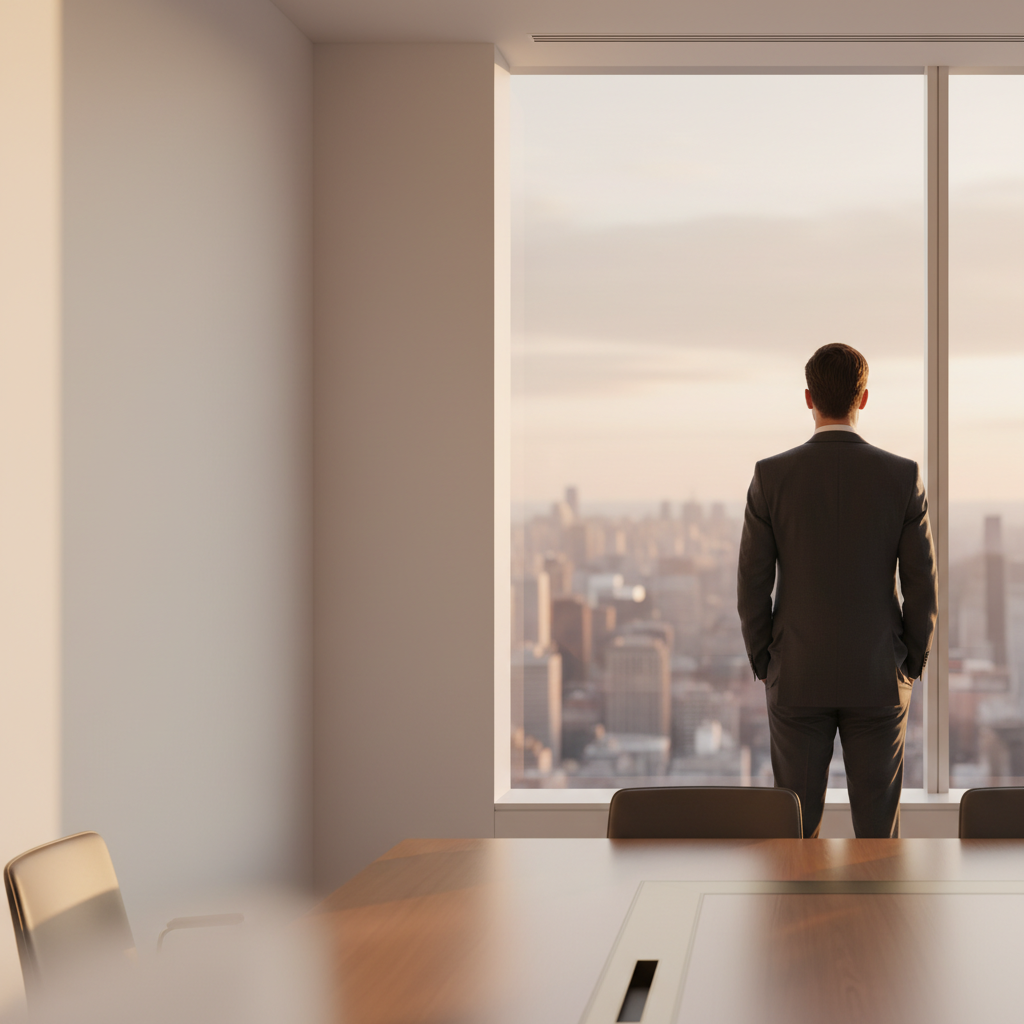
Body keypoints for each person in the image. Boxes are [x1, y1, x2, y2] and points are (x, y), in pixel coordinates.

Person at [737, 343, 937, 838]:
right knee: (878, 837)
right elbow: (922, 585)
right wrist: (909, 662)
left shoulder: (771, 476)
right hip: (877, 675)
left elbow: (751, 584)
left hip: (798, 674)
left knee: (796, 834)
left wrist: (767, 662)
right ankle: (879, 918)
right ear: (863, 399)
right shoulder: (902, 476)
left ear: (809, 398)